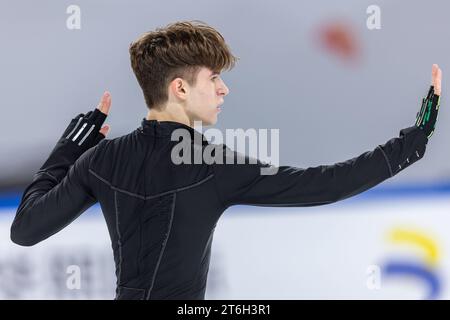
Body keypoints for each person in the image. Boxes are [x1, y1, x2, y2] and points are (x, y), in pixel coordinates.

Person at [10, 20, 442, 300]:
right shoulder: (212, 163)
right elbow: (324, 184)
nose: (223, 90)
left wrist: (69, 148)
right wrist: (414, 140)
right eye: (213, 78)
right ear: (179, 88)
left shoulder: (99, 160)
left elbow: (25, 229)